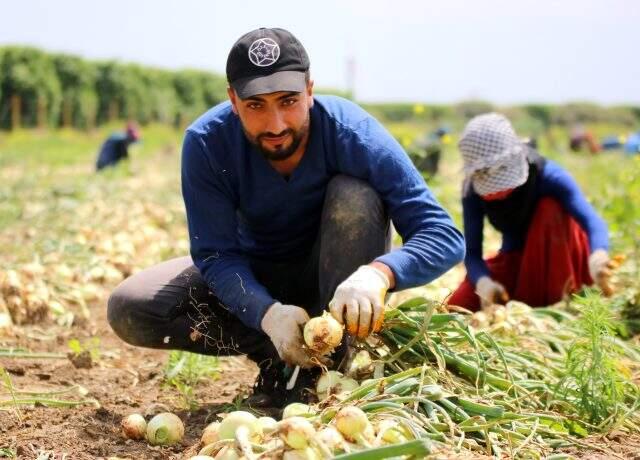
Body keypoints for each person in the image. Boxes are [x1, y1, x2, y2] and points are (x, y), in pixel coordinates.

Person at [107, 27, 465, 409]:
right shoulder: (208, 143)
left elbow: (442, 234)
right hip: (257, 278)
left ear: (310, 90)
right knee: (132, 307)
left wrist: (379, 273)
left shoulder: (352, 133)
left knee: (354, 194)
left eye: (289, 100)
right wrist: (266, 314)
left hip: (337, 282)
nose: (276, 124)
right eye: (256, 105)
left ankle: (329, 363)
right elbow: (216, 255)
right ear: (233, 99)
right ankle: (277, 355)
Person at [448, 113, 613, 312]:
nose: (499, 192)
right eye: (490, 188)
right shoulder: (472, 191)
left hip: (560, 257)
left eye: (502, 183)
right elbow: (472, 253)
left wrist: (599, 255)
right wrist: (484, 284)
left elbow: (591, 220)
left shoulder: (550, 177)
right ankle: (528, 299)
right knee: (459, 305)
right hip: (516, 255)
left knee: (549, 208)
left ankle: (552, 303)